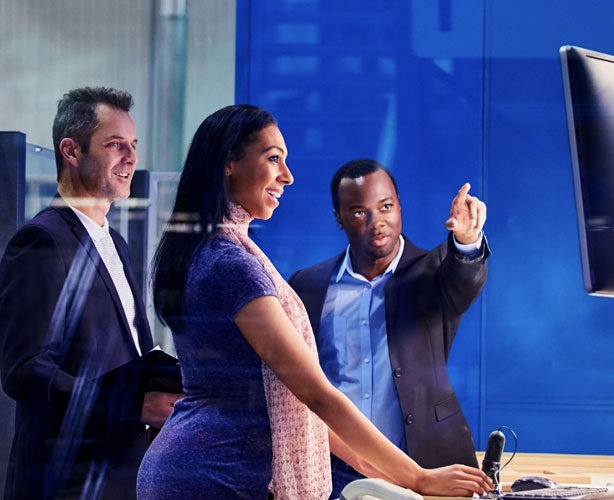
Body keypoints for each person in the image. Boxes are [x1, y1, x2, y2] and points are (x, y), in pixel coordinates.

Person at [137, 105, 492, 499]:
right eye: (273, 159)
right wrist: (418, 479)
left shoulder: (224, 252)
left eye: (386, 206)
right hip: (214, 478)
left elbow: (309, 411)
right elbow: (316, 394)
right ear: (228, 163)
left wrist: (400, 479)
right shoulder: (232, 263)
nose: (287, 176)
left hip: (217, 470)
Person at [0, 87, 180, 499]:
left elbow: (129, 356)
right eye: (115, 145)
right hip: (65, 481)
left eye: (133, 145)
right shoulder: (41, 240)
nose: (131, 158)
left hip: (120, 472)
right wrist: (133, 408)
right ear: (71, 151)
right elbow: (25, 371)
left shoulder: (115, 242)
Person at [288, 159, 490, 496]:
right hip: (334, 467)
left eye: (386, 207)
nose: (377, 222)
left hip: (425, 460)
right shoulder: (308, 286)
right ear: (339, 218)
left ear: (399, 205)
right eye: (359, 212)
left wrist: (467, 239)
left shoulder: (434, 271)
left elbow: (464, 279)